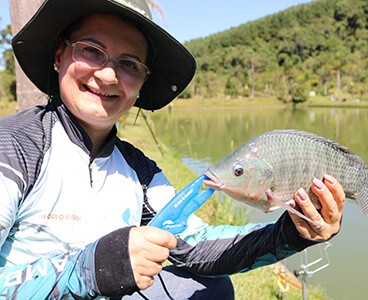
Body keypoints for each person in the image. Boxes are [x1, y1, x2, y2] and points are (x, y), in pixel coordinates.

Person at [0, 0, 345, 298]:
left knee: (212, 289)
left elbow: (193, 245)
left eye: (129, 64)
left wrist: (289, 233)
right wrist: (96, 268)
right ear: (60, 56)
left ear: (141, 85)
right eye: (91, 50)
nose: (107, 75)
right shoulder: (13, 148)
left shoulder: (140, 172)